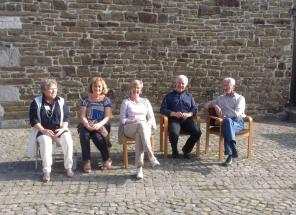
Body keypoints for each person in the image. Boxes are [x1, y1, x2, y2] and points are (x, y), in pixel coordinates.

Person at [27, 79, 74, 182]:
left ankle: (68, 167)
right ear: (44, 90)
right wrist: (43, 130)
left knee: (67, 140)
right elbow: (33, 119)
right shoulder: (36, 102)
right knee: (45, 141)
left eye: (55, 88)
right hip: (43, 131)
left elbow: (66, 117)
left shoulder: (61, 101)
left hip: (59, 130)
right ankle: (47, 171)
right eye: (51, 89)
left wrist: (63, 128)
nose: (54, 91)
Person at [119, 80, 160, 180]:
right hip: (129, 127)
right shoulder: (126, 102)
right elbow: (122, 120)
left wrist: (147, 124)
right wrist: (132, 121)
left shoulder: (145, 101)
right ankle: (150, 154)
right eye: (134, 87)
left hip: (143, 128)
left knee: (139, 134)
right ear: (130, 89)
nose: (136, 90)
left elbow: (151, 118)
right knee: (140, 126)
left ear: (140, 90)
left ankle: (139, 169)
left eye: (138, 88)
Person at [205, 77, 246, 166]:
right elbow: (206, 105)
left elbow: (236, 113)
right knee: (227, 122)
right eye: (224, 85)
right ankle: (232, 149)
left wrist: (223, 116)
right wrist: (215, 105)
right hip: (226, 122)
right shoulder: (220, 98)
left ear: (233, 86)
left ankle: (230, 154)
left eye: (227, 85)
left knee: (227, 122)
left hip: (237, 122)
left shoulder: (240, 98)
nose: (225, 87)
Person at [160, 75, 202, 159]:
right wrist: (173, 113)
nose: (180, 85)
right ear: (176, 83)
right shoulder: (169, 96)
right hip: (174, 120)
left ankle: (186, 150)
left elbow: (194, 108)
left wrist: (189, 114)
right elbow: (163, 109)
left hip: (187, 120)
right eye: (179, 83)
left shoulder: (189, 96)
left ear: (185, 85)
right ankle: (174, 150)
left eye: (182, 83)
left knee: (197, 132)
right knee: (174, 133)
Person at [78, 77, 112, 173]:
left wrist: (99, 125)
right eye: (95, 86)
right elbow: (82, 115)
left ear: (102, 88)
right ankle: (87, 161)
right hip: (87, 124)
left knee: (98, 137)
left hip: (101, 125)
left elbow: (107, 116)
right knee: (84, 135)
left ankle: (107, 159)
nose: (97, 88)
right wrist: (86, 124)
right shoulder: (85, 100)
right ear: (91, 87)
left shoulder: (106, 100)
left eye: (99, 86)